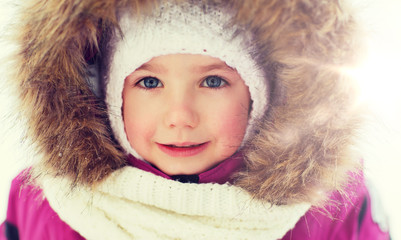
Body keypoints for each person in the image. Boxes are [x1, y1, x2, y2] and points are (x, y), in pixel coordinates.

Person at [0, 0, 391, 239]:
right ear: (106, 94)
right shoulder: (45, 204)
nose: (180, 117)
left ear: (265, 96)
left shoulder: (330, 205)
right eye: (149, 82)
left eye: (213, 81)